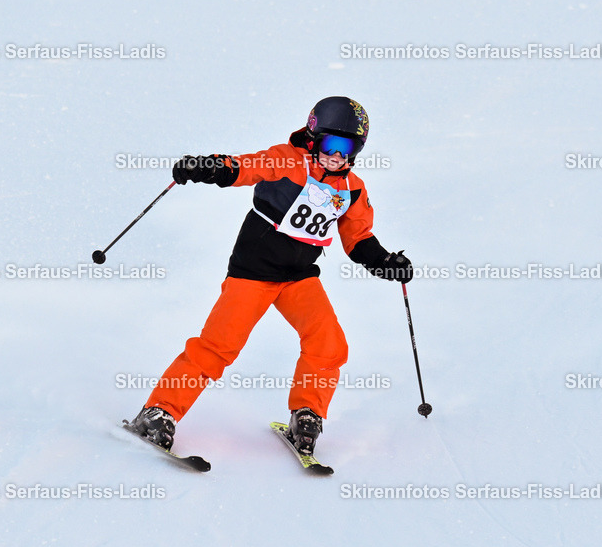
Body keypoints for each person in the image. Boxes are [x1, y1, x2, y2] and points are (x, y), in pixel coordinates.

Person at [126, 96, 413, 457]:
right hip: (254, 273)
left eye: (348, 148)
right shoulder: (289, 160)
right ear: (313, 137)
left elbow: (357, 239)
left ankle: (306, 415)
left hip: (299, 278)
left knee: (329, 344)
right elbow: (244, 168)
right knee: (218, 346)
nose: (337, 156)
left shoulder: (352, 188)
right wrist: (209, 167)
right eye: (330, 145)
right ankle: (159, 411)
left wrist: (386, 262)